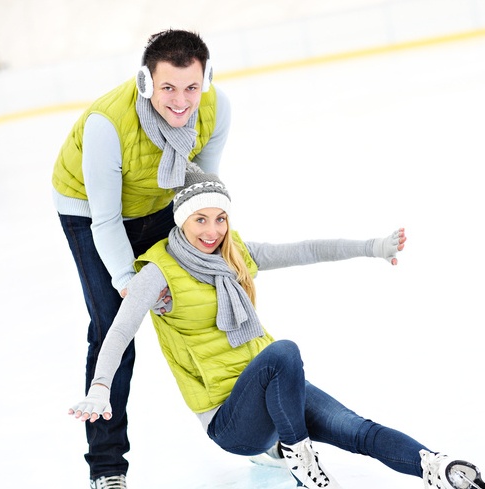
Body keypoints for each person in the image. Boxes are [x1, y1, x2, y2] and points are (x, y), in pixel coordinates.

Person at [69, 169, 484, 489]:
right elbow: (120, 330)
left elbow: (305, 250)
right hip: (230, 420)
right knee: (282, 352)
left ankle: (436, 466)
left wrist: (371, 248)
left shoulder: (235, 254)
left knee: (356, 428)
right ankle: (300, 458)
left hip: (275, 391)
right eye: (200, 220)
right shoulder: (158, 273)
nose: (212, 231)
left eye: (220, 219)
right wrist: (101, 385)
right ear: (180, 219)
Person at [52, 29, 231, 489]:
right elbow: (106, 219)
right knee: (115, 328)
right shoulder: (107, 124)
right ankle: (107, 467)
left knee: (214, 301)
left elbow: (199, 192)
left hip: (158, 203)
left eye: (191, 87)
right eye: (168, 87)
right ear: (147, 82)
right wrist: (128, 281)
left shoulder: (215, 108)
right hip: (89, 210)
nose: (181, 100)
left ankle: (255, 428)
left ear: (205, 80)